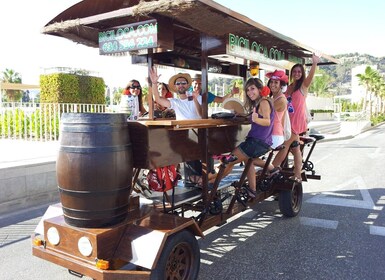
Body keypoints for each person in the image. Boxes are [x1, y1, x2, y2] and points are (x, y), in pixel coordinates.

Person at [209, 78, 274, 197]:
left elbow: (267, 121)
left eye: (252, 89)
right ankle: (252, 190)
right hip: (261, 141)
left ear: (260, 89)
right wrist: (243, 115)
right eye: (248, 90)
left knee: (228, 162)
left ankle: (209, 183)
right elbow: (255, 117)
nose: (250, 92)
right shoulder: (261, 102)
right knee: (247, 160)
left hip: (256, 142)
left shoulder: (264, 102)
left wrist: (256, 119)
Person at [149, 67, 203, 186]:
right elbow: (157, 99)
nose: (181, 85)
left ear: (187, 84)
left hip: (199, 136)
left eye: (183, 83)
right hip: (184, 138)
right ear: (176, 87)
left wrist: (194, 99)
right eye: (178, 83)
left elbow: (201, 114)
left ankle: (197, 180)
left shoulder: (198, 98)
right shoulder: (175, 102)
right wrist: (154, 83)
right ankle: (170, 178)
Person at [272, 54, 320, 182]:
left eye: (299, 71)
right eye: (295, 71)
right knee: (295, 147)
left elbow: (310, 76)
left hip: (296, 122)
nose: (297, 73)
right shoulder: (289, 86)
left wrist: (314, 63)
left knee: (285, 146)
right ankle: (297, 174)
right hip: (287, 121)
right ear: (292, 73)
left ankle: (272, 168)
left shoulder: (303, 85)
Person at [266, 70, 289, 148]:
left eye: (276, 82)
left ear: (281, 85)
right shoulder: (274, 98)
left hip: (275, 135)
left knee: (250, 155)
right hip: (271, 134)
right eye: (271, 82)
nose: (272, 84)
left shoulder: (281, 99)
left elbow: (264, 112)